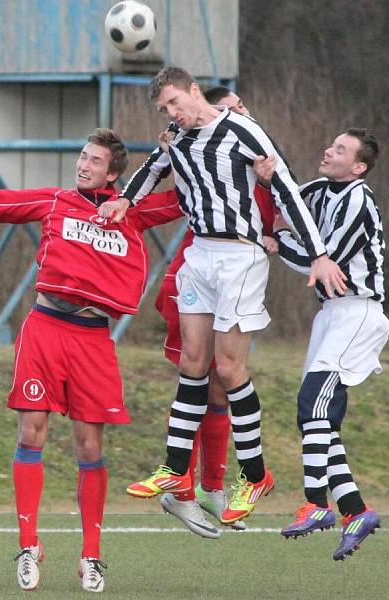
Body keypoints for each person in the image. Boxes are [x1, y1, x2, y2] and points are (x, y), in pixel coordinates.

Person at [0, 128, 183, 593]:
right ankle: (28, 545)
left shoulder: (130, 213)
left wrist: (203, 152)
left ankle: (91, 556)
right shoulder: (55, 201)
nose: (83, 164)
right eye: (82, 155)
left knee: (88, 448)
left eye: (94, 160)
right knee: (30, 430)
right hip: (45, 329)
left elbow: (185, 199)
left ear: (114, 173)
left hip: (93, 340)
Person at [98, 66, 347, 525]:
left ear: (194, 91)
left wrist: (319, 255)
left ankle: (254, 474)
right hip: (200, 255)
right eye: (165, 108)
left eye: (176, 102)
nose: (173, 113)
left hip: (239, 257)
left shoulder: (242, 130)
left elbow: (288, 189)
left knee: (229, 368)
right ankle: (175, 469)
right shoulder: (177, 136)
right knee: (193, 363)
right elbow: (153, 169)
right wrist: (124, 201)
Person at [260, 129, 389, 560]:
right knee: (315, 419)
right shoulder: (319, 188)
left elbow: (324, 261)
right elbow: (287, 191)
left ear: (358, 167)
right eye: (331, 145)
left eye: (340, 150)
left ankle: (317, 505)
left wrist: (280, 245)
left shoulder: (359, 198)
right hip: (331, 315)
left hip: (357, 310)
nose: (328, 151)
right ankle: (355, 510)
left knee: (313, 403)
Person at [153, 86, 277, 537]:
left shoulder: (251, 156)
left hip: (233, 273)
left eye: (244, 106)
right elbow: (162, 199)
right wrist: (122, 205)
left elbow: (281, 207)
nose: (242, 112)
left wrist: (277, 227)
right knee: (201, 375)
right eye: (233, 107)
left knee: (221, 382)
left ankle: (209, 486)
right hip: (193, 276)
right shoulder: (194, 150)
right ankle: (182, 485)